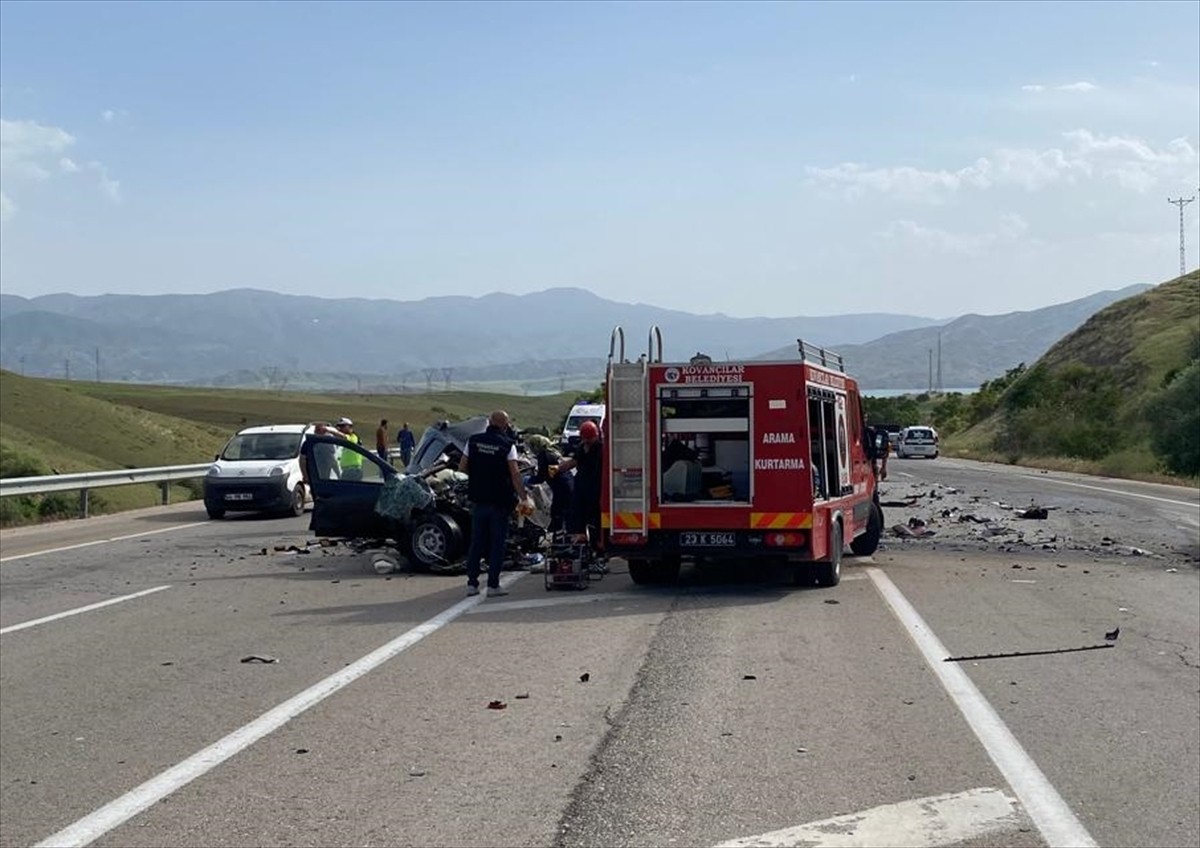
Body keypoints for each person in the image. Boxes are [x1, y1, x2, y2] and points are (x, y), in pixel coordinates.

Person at [458, 410, 530, 598]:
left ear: (489, 423)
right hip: (500, 502)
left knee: (477, 543)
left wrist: (478, 475)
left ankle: (472, 584)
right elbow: (515, 474)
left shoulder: (473, 441)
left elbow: (462, 467)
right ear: (505, 425)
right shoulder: (508, 445)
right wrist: (523, 497)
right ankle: (492, 586)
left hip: (478, 500)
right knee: (497, 544)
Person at [557, 419, 602, 545]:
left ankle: (596, 540)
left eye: (590, 438)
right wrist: (561, 467)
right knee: (576, 510)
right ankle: (579, 536)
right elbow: (575, 461)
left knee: (594, 514)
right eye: (585, 438)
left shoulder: (601, 449)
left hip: (595, 486)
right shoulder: (581, 447)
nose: (587, 441)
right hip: (581, 484)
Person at [525, 433, 572, 534]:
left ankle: (557, 535)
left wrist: (528, 480)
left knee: (557, 512)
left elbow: (541, 477)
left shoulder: (544, 455)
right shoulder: (553, 452)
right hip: (567, 483)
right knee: (562, 510)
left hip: (561, 486)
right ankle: (560, 533)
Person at [862, 413, 889, 482]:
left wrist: (884, 467)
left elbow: (882, 447)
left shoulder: (870, 432)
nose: (864, 420)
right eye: (863, 417)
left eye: (865, 417)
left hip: (868, 460)